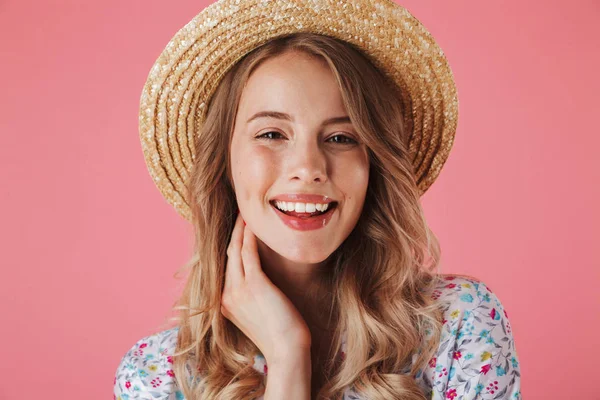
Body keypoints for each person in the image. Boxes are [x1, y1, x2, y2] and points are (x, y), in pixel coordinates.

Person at [114, 1, 522, 399]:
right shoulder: (155, 378)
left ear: (374, 165)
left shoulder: (458, 324)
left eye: (342, 138)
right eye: (272, 134)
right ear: (224, 162)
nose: (308, 167)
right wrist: (287, 355)